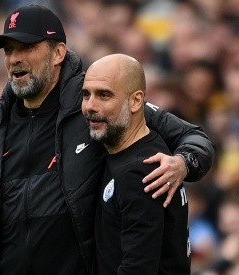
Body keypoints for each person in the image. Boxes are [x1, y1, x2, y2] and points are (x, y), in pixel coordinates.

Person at [0, 5, 214, 275]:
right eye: (9, 50)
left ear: (58, 53)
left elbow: (192, 136)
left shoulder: (97, 99)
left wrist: (182, 163)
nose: (14, 58)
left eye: (26, 48)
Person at [82, 53, 190, 274]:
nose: (90, 106)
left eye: (104, 95)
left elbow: (137, 268)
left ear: (136, 101)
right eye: (86, 95)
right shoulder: (137, 150)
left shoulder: (141, 172)